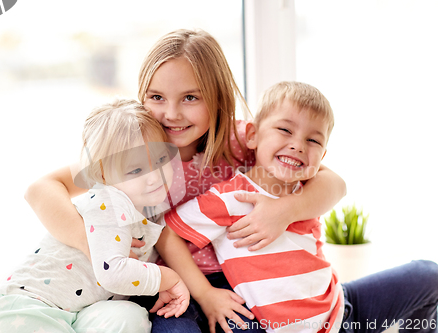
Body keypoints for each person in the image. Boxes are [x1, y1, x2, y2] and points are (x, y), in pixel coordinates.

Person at [24, 29, 347, 333]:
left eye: (191, 98)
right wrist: (92, 242)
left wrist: (288, 210)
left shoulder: (241, 139)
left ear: (218, 98)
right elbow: (42, 188)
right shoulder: (133, 153)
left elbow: (332, 182)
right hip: (167, 284)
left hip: (245, 281)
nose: (172, 114)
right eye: (157, 97)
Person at [161, 81, 438, 333]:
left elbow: (339, 186)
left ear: (323, 155)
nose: (297, 146)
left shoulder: (308, 188)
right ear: (253, 136)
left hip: (342, 311)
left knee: (428, 274)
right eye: (284, 130)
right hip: (282, 328)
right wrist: (205, 294)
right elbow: (167, 234)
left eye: (313, 140)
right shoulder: (231, 197)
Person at [0, 99, 190, 333]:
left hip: (81, 310)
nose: (155, 177)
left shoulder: (147, 206)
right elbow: (113, 272)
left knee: (132, 316)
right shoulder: (110, 201)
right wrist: (168, 278)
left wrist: (151, 285)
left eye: (161, 160)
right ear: (102, 176)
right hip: (31, 305)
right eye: (136, 170)